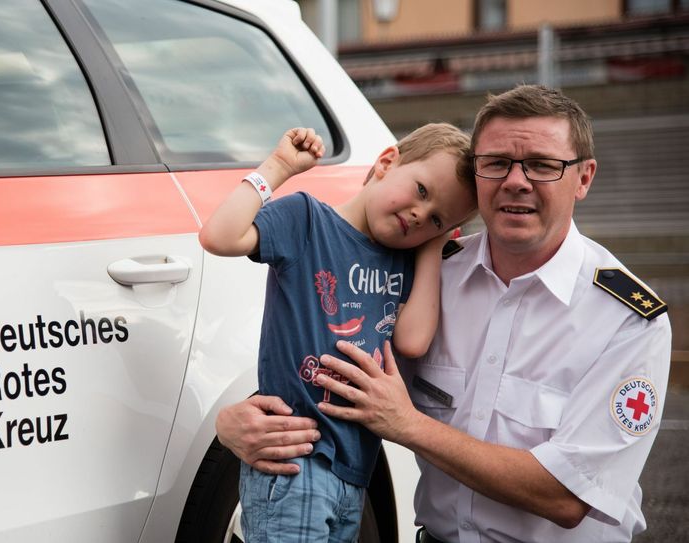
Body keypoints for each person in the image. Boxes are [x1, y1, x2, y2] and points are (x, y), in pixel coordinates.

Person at [215, 85, 672, 543]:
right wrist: (237, 423)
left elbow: (567, 498)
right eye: (496, 163)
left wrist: (409, 425)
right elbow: (331, 355)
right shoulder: (427, 277)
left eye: (542, 165)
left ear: (584, 177)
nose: (516, 181)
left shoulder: (627, 321)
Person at [199, 124, 477, 541]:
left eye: (436, 218)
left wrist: (432, 247)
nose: (422, 214)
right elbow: (218, 236)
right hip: (295, 460)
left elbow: (412, 341)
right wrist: (276, 168)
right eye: (421, 190)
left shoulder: (403, 261)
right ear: (386, 163)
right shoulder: (307, 220)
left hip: (353, 471)